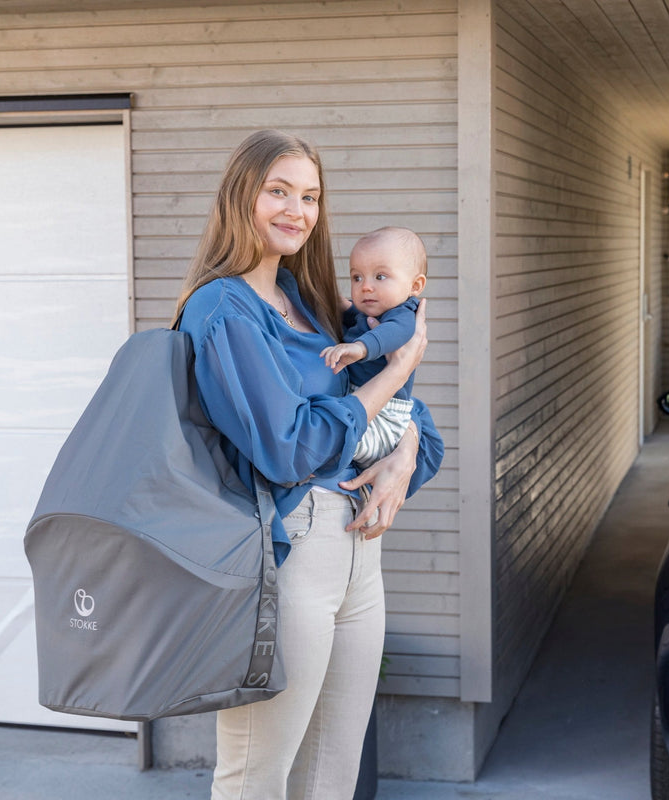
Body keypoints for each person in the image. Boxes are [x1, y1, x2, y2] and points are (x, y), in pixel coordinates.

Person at [173, 129, 444, 800]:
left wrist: (403, 454)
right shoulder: (224, 308)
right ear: (243, 196)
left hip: (361, 561)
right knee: (256, 779)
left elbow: (416, 428)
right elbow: (291, 447)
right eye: (279, 191)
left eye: (311, 196)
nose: (297, 210)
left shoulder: (316, 303)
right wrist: (401, 368)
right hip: (289, 557)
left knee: (331, 777)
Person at [321, 226, 427, 467]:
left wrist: (360, 348)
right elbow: (353, 315)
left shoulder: (403, 314)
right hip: (365, 402)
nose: (365, 286)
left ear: (415, 285)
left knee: (336, 441)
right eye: (357, 277)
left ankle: (315, 461)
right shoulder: (372, 311)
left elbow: (391, 334)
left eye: (380, 277)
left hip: (386, 415)